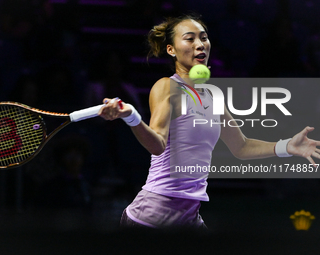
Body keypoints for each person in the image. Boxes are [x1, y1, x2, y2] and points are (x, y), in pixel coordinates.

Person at [97, 14, 320, 229]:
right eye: (189, 38)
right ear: (171, 50)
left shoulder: (212, 96)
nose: (200, 44)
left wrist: (286, 146)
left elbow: (241, 146)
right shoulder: (167, 87)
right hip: (152, 217)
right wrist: (131, 116)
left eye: (203, 37)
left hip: (189, 217)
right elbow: (157, 145)